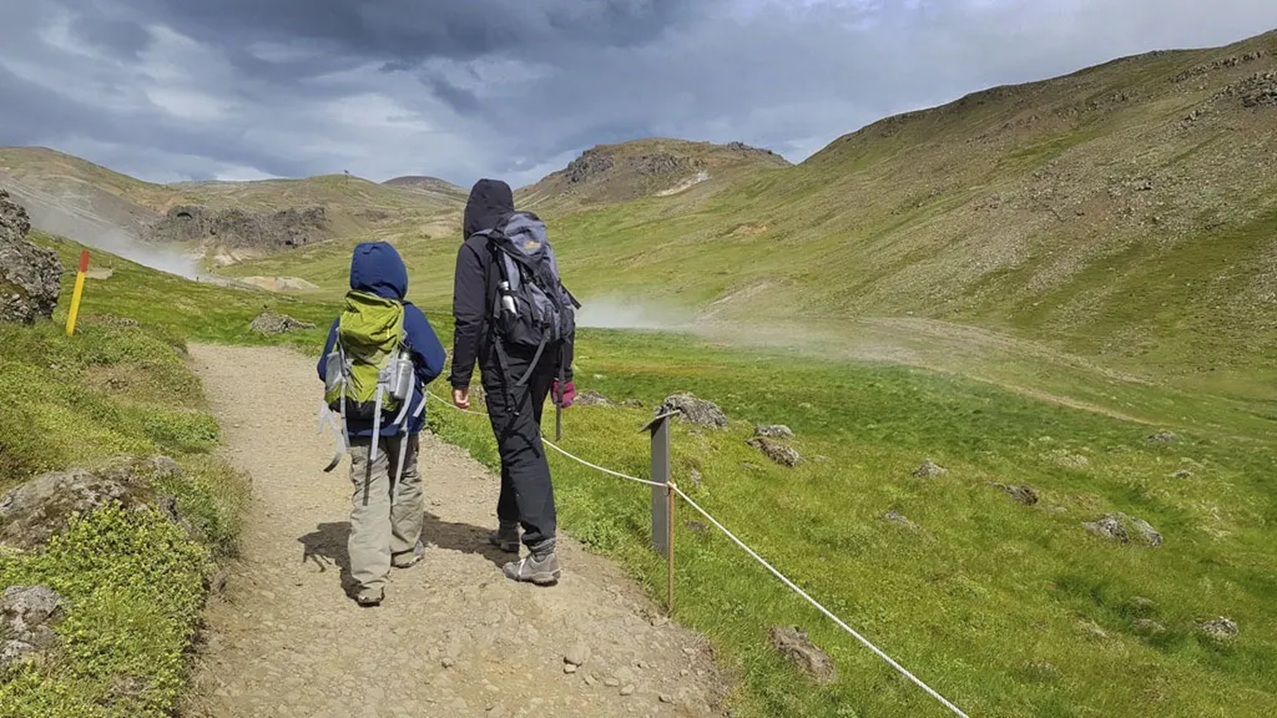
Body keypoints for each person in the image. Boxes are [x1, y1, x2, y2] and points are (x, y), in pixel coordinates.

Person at [449, 178, 576, 585]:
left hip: (507, 364)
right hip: (543, 356)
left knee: (521, 446)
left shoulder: (476, 249)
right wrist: (564, 373)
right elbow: (561, 306)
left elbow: (468, 319)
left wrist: (460, 378)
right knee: (519, 438)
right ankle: (508, 527)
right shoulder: (531, 244)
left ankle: (541, 554)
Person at [317, 241, 446, 606]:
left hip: (359, 423)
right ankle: (403, 550)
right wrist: (410, 384)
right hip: (403, 421)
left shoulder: (345, 318)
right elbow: (435, 362)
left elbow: (324, 369)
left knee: (368, 494)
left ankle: (369, 581)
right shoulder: (408, 316)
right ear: (397, 276)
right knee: (405, 478)